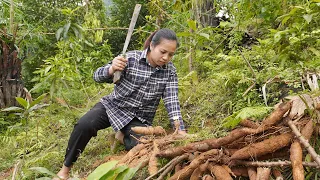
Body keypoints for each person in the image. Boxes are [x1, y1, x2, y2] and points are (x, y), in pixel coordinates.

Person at [55, 28, 187, 179]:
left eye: (170, 54)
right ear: (151, 46)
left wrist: (180, 129)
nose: (166, 57)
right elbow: (97, 76)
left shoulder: (169, 71)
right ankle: (64, 171)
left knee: (143, 146)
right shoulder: (129, 58)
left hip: (139, 118)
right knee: (84, 125)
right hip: (113, 106)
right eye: (163, 52)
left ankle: (122, 136)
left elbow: (172, 100)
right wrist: (111, 69)